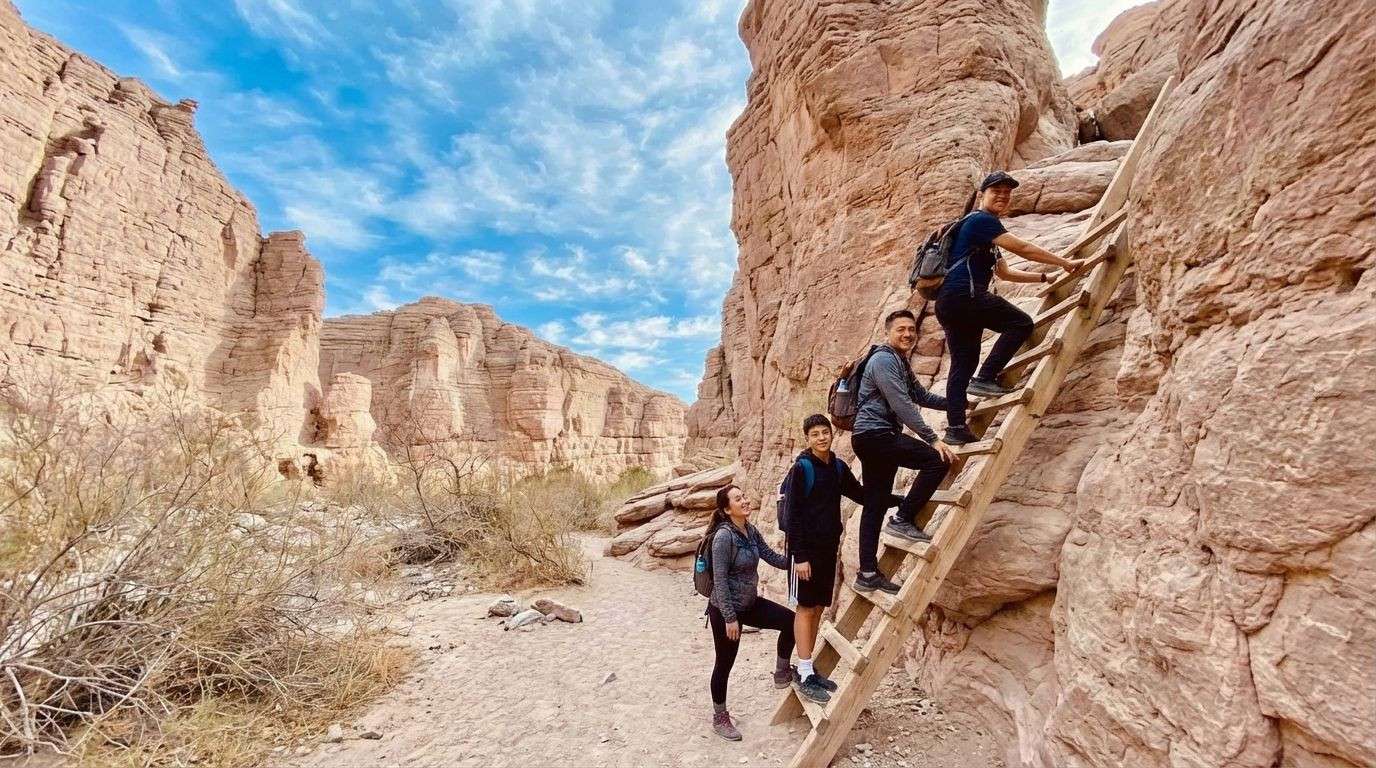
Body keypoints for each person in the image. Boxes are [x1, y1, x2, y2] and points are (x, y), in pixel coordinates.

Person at [935, 171, 1083, 445]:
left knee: (962, 364)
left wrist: (1043, 277)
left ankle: (955, 428)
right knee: (1021, 323)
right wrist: (1063, 262)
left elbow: (1004, 273)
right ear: (982, 195)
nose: (1002, 196)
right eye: (996, 191)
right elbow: (1024, 248)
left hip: (949, 302)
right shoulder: (982, 220)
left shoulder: (982, 232)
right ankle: (986, 377)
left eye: (1007, 192)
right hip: (964, 295)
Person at [783, 414, 901, 704]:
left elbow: (861, 495)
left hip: (827, 549)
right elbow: (792, 515)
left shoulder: (837, 467)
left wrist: (898, 500)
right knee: (805, 608)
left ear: (832, 434)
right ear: (807, 439)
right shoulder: (802, 468)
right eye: (815, 434)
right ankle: (805, 669)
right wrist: (799, 556)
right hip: (805, 553)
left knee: (820, 606)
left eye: (825, 432)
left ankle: (806, 669)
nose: (821, 437)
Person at [851, 309, 957, 595]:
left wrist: (956, 404)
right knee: (935, 460)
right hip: (876, 435)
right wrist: (932, 438)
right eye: (901, 329)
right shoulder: (884, 360)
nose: (908, 333)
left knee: (874, 505)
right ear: (888, 332)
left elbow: (920, 396)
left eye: (912, 329)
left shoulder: (899, 361)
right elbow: (901, 404)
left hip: (871, 437)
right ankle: (902, 519)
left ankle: (868, 573)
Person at [706, 485, 795, 742]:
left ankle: (781, 673)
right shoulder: (724, 537)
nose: (744, 500)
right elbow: (719, 580)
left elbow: (769, 555)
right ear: (726, 509)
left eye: (744, 496)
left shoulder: (750, 530)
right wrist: (730, 618)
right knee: (725, 663)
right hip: (725, 609)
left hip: (750, 603)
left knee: (790, 621)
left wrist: (795, 560)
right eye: (738, 499)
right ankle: (719, 717)